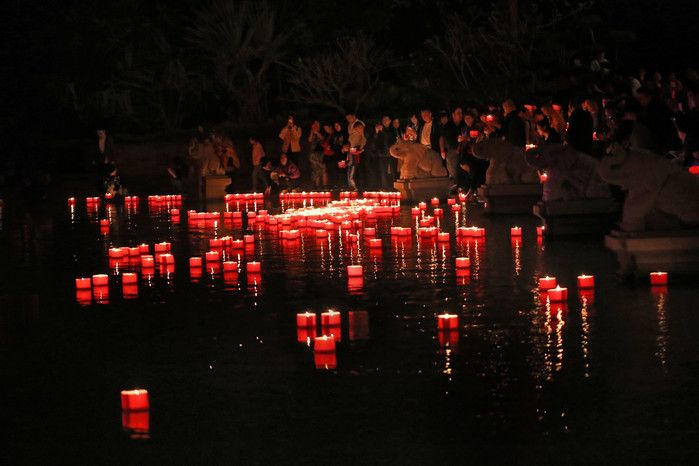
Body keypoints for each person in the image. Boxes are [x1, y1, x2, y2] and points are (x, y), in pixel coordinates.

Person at [93, 127, 118, 193]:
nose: (99, 134)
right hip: (100, 161)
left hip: (108, 160)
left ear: (104, 131)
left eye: (100, 133)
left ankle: (111, 190)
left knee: (110, 176)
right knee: (100, 176)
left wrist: (112, 159)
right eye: (98, 133)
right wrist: (95, 159)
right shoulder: (97, 140)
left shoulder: (108, 139)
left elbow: (112, 149)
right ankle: (101, 191)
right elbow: (96, 151)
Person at [308, 120, 326, 188]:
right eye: (315, 123)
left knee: (322, 168)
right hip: (313, 153)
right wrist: (312, 132)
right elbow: (309, 140)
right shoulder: (312, 131)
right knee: (315, 169)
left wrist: (317, 133)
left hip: (320, 152)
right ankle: (316, 185)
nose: (316, 125)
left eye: (317, 124)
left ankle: (324, 185)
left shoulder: (321, 132)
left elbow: (323, 139)